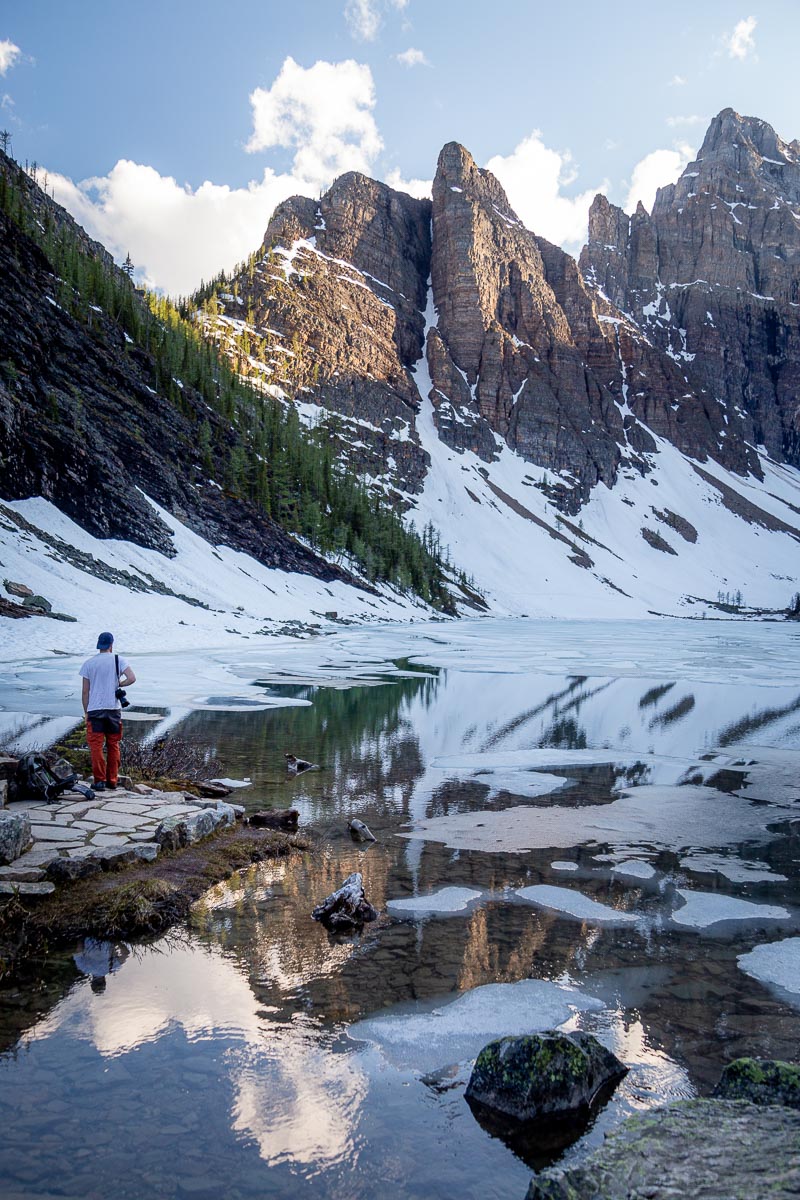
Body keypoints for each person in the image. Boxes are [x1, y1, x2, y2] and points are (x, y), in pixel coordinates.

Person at [78, 632, 136, 790]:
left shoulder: (89, 664)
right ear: (111, 644)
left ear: (99, 645)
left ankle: (99, 781)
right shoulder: (119, 660)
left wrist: (86, 712)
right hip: (113, 710)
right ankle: (112, 780)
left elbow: (85, 692)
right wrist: (119, 685)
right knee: (113, 744)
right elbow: (132, 678)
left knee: (96, 746)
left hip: (95, 710)